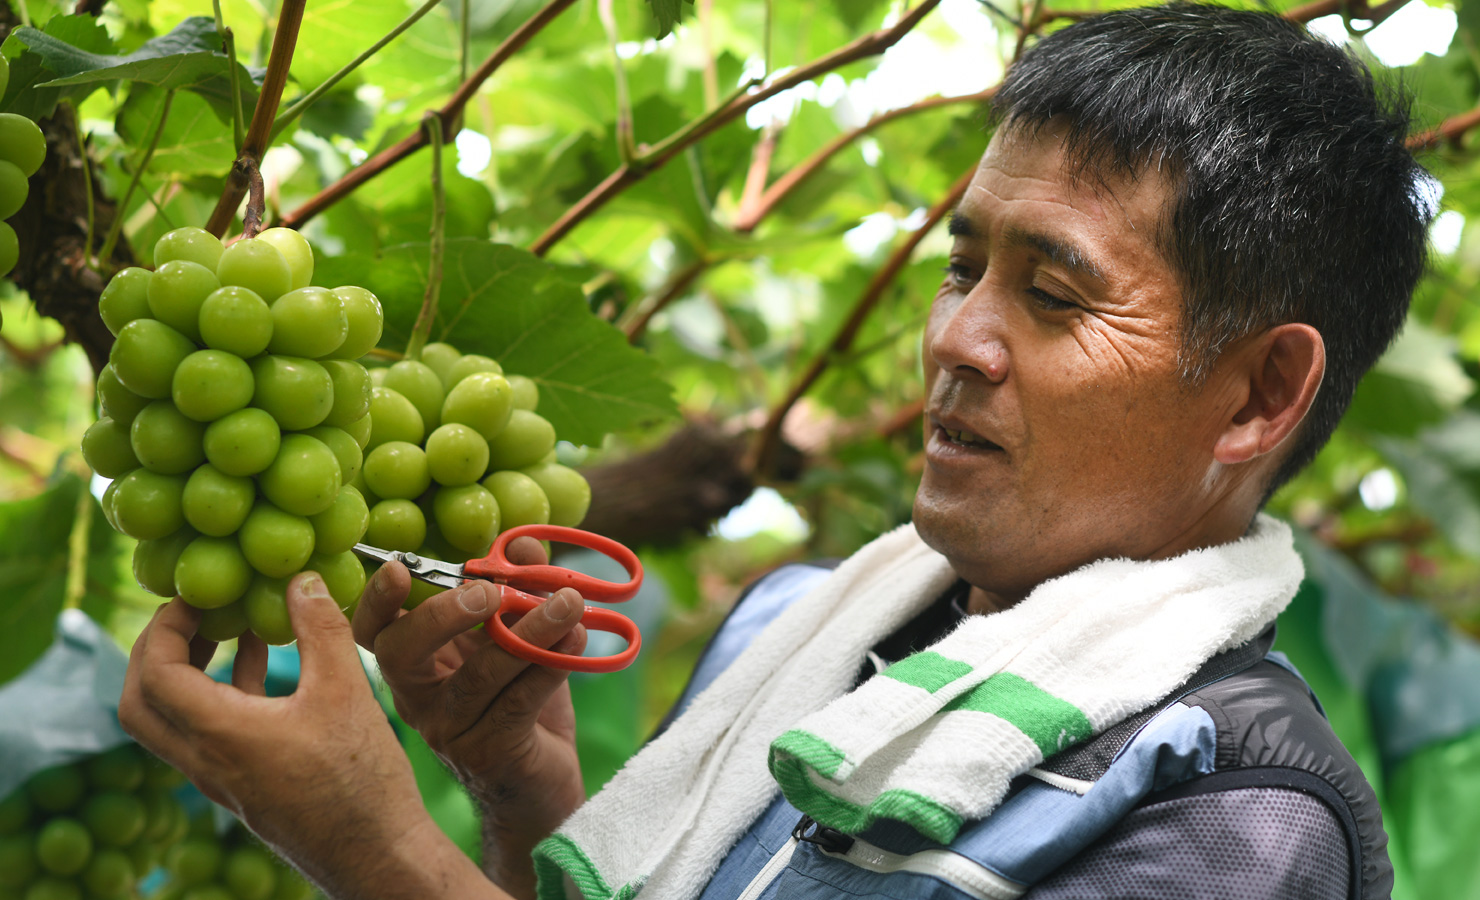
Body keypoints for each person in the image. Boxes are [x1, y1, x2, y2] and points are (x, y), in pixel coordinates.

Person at [118, 4, 1429, 899]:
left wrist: (380, 850)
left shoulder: (1230, 821)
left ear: (1260, 397)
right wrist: (523, 795)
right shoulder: (791, 632)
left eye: (1056, 294)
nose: (957, 340)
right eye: (962, 266)